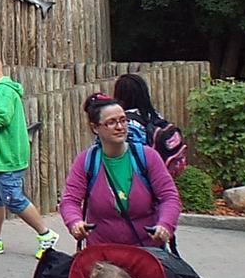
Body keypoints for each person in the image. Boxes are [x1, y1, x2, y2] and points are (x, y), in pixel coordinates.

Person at [0, 53, 59, 255]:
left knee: (13, 198)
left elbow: (1, 117)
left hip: (6, 156)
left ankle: (46, 234)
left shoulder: (4, 91)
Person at [61, 94, 179, 248]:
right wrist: (75, 222)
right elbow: (70, 200)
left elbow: (169, 197)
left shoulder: (147, 156)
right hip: (102, 252)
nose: (120, 127)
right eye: (111, 122)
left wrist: (165, 225)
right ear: (95, 128)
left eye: (123, 120)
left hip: (146, 251)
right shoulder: (86, 161)